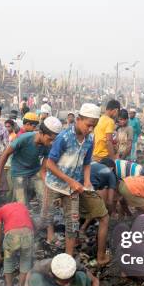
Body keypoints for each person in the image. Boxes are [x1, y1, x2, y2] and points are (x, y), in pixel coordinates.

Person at [42, 103, 99, 256]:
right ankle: (49, 235)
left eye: (94, 126)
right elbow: (50, 164)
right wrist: (71, 181)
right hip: (54, 184)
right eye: (88, 125)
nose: (90, 129)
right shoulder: (64, 137)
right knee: (47, 215)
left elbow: (87, 163)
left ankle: (68, 256)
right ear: (78, 119)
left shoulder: (90, 140)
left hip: (73, 188)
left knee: (73, 223)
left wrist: (86, 181)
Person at [0, 116, 61, 207]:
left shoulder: (48, 145)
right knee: (22, 204)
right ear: (41, 133)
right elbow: (6, 154)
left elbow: (43, 170)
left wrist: (46, 186)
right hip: (18, 173)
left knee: (46, 199)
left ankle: (45, 220)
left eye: (53, 140)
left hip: (35, 172)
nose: (51, 142)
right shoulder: (24, 138)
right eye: (50, 139)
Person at [79, 159, 116, 265]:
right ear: (112, 168)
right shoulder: (110, 174)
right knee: (104, 219)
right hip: (86, 189)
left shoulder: (93, 164)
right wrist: (109, 212)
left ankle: (74, 245)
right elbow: (109, 201)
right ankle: (101, 257)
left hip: (72, 185)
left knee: (74, 216)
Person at [0, 201, 34, 286]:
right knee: (25, 261)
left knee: (8, 261)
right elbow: (31, 222)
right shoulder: (22, 205)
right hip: (28, 235)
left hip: (12, 238)